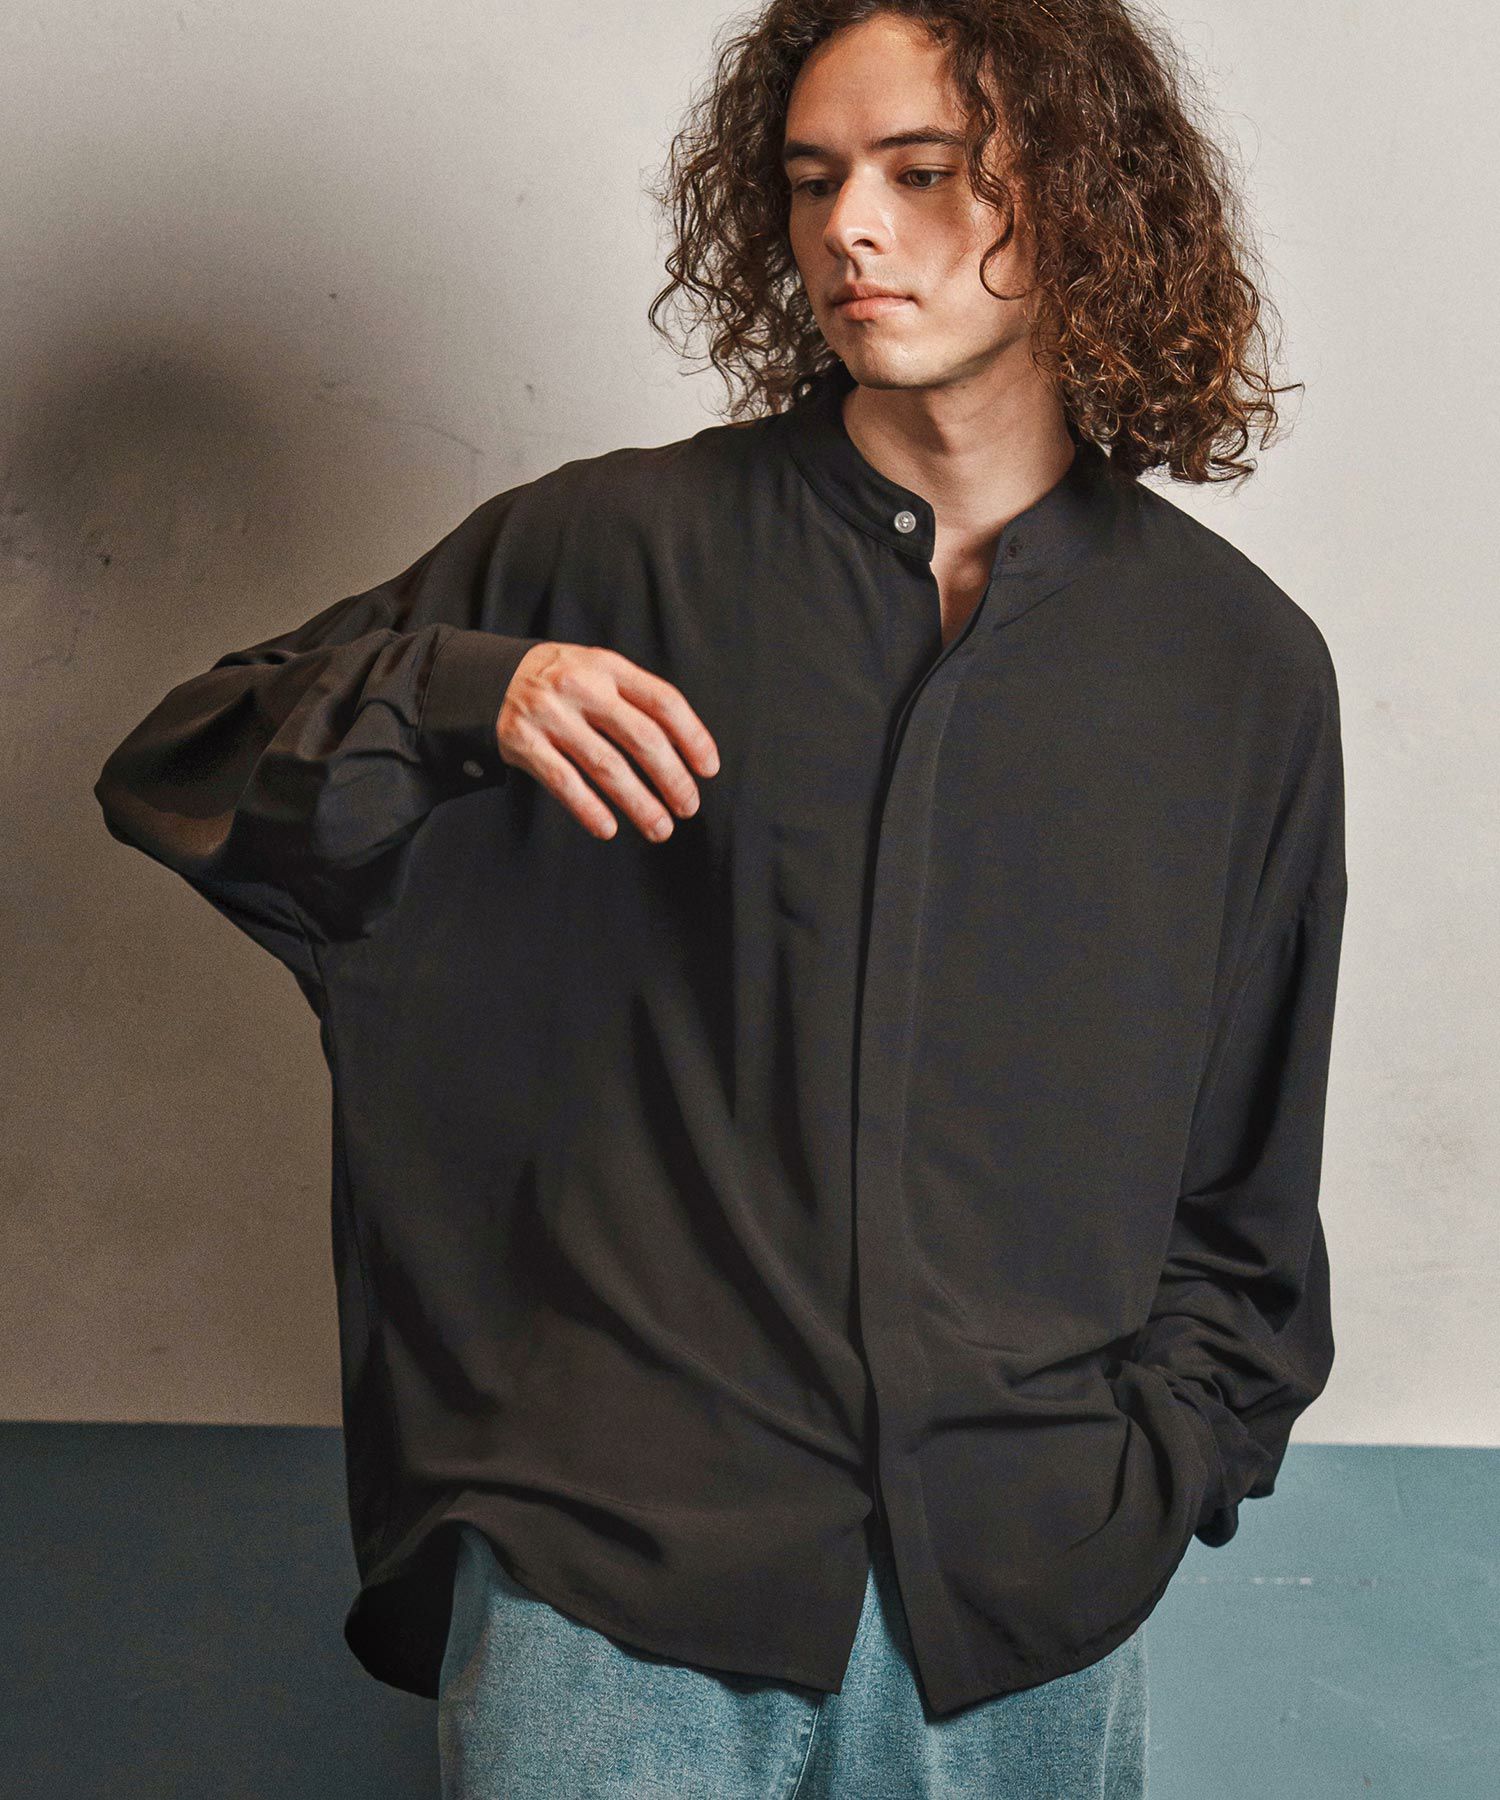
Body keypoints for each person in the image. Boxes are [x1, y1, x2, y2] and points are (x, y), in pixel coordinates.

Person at [94, 2, 1347, 1795]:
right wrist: (462, 694)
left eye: (923, 173)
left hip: (1028, 1612)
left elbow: (1247, 1180)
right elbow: (184, 764)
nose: (852, 229)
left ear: (1080, 196)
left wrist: (1145, 1482)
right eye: (814, 180)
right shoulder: (612, 550)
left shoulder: (1237, 668)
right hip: (614, 1590)